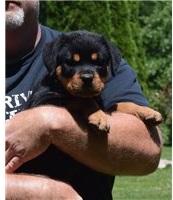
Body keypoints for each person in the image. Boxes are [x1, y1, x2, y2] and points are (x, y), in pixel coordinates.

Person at [5, 1, 162, 200]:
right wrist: (44, 191)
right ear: (54, 66)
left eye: (98, 65)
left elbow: (148, 150)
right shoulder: (50, 86)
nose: (87, 75)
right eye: (73, 64)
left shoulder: (73, 47)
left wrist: (49, 121)